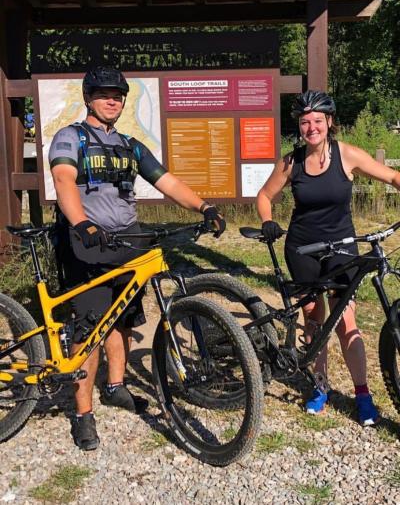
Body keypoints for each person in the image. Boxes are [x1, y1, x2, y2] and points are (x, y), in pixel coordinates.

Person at [49, 66, 226, 451]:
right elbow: (63, 179)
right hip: (86, 243)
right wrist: (81, 223)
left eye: (118, 94)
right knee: (89, 329)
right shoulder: (70, 137)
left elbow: (167, 181)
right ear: (88, 98)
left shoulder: (131, 146)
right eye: (103, 93)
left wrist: (204, 207)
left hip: (127, 240)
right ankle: (82, 414)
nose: (112, 99)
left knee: (124, 319)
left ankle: (115, 386)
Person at [257, 90, 400, 425]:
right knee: (313, 319)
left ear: (329, 123)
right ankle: (320, 387)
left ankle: (362, 393)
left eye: (318, 121)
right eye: (305, 122)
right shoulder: (291, 162)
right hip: (302, 248)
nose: (311, 127)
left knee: (345, 319)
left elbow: (392, 176)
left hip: (342, 246)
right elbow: (264, 195)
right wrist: (267, 220)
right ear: (300, 127)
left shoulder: (347, 155)